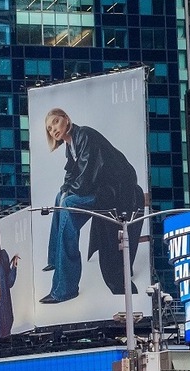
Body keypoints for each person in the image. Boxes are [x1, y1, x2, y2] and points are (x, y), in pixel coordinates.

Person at [39, 108, 143, 303]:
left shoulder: (84, 134)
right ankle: (55, 259)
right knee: (59, 197)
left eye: (55, 122)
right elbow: (72, 174)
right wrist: (65, 189)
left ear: (66, 119)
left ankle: (65, 289)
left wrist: (69, 192)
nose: (53, 130)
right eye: (49, 129)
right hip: (99, 189)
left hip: (115, 192)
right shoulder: (71, 146)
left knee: (68, 204)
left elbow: (86, 177)